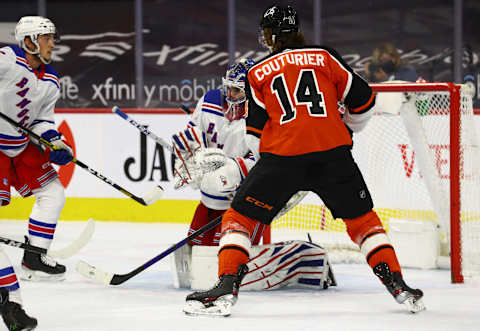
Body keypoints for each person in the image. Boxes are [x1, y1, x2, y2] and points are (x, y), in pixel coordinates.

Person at [183, 5, 425, 317]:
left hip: (282, 158)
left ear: (271, 35)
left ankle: (226, 287)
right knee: (364, 223)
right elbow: (365, 102)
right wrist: (344, 128)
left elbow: (254, 140)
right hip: (334, 155)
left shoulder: (258, 72)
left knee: (237, 221)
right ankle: (398, 284)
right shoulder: (325, 57)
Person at [0, 16, 74, 330]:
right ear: (30, 41)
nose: (52, 44)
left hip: (20, 147)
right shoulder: (7, 59)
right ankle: (11, 301)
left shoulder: (51, 78)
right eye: (47, 38)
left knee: (53, 192)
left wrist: (52, 140)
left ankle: (34, 256)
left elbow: (41, 119)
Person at [172, 58, 267, 247]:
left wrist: (228, 168)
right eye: (228, 87)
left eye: (237, 89)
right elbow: (193, 138)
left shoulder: (263, 113)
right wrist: (187, 160)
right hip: (209, 201)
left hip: (242, 204)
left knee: (231, 254)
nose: (230, 94)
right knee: (195, 251)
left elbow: (263, 162)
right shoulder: (209, 100)